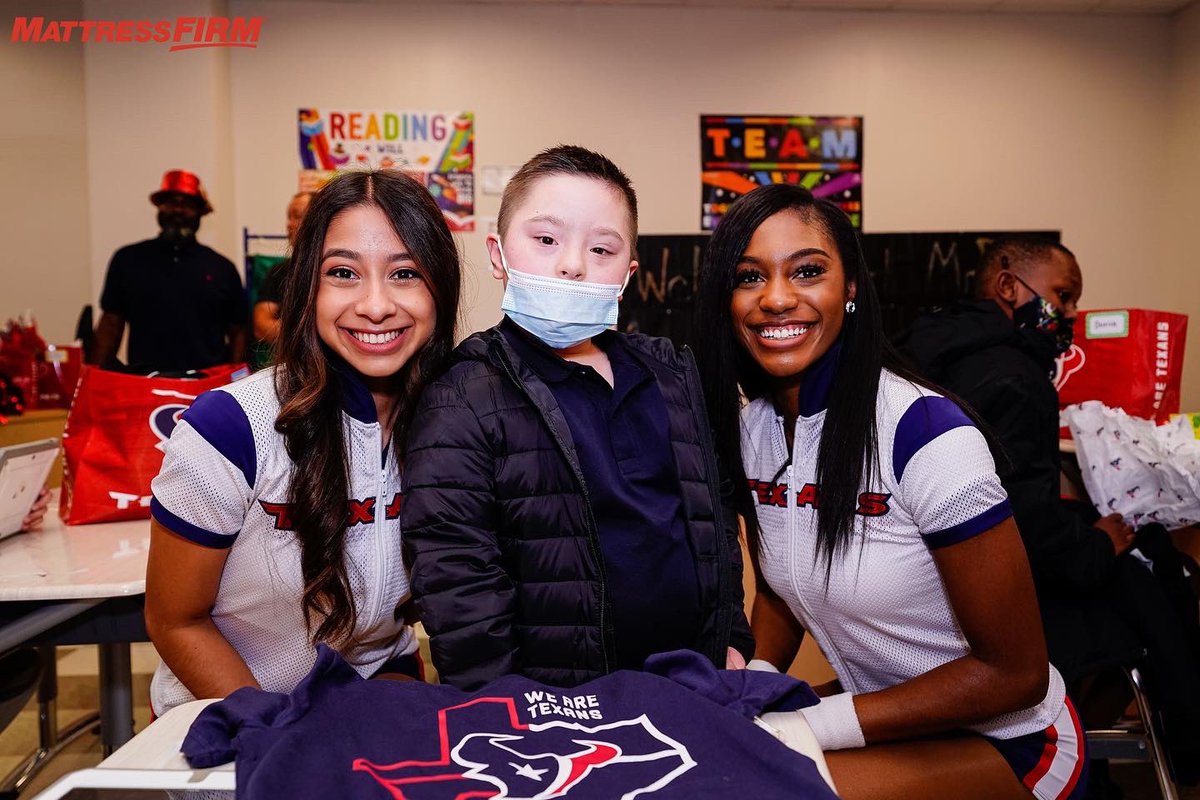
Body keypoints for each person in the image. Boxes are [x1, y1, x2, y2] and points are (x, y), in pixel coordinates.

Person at [696, 184, 1085, 800]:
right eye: (750, 276)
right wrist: (755, 685)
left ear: (849, 289)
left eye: (808, 271)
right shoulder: (753, 431)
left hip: (1012, 744)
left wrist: (809, 724)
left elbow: (1015, 675)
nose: (776, 297)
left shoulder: (924, 431)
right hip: (890, 724)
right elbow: (778, 586)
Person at [402, 145, 753, 691]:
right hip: (557, 707)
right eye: (545, 240)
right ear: (498, 255)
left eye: (602, 248)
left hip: (694, 680)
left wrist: (730, 636)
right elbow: (458, 583)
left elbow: (714, 522)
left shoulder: (672, 375)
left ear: (628, 272)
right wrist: (504, 708)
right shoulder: (462, 394)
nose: (572, 263)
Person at [144, 169, 461, 720]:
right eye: (343, 273)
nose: (376, 305)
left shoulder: (458, 427)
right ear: (305, 287)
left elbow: (399, 627)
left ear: (440, 287)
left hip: (376, 701)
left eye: (405, 273)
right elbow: (177, 620)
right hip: (230, 716)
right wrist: (279, 735)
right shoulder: (230, 428)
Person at [899, 235, 1200, 785]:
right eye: (1062, 296)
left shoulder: (926, 353)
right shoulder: (1015, 375)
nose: (1069, 314)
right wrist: (1099, 544)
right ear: (1009, 286)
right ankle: (1091, 757)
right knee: (1143, 589)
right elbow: (1024, 521)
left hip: (923, 587)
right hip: (988, 602)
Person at [92, 170, 247, 373]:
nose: (179, 211)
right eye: (171, 203)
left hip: (206, 389)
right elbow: (111, 323)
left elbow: (239, 331)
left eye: (188, 205)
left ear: (201, 212)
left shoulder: (222, 268)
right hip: (145, 384)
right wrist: (95, 376)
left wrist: (236, 382)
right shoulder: (128, 260)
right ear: (159, 208)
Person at [252, 191, 314, 349]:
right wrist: (312, 334)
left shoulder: (337, 269)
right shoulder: (279, 272)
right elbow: (261, 325)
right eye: (289, 217)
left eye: (297, 216)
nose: (289, 224)